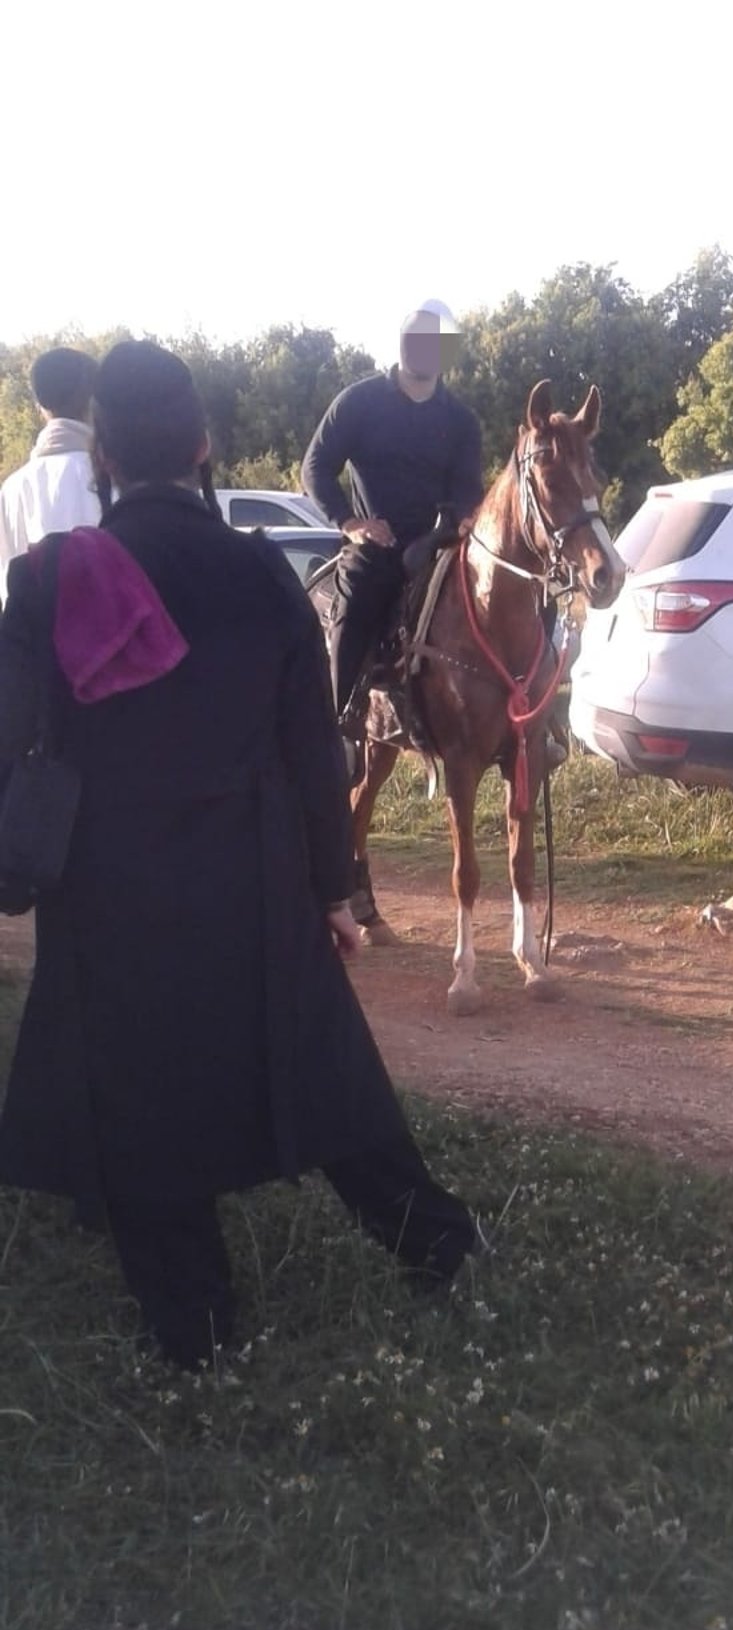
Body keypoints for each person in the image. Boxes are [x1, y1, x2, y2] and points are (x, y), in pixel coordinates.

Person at [0, 339, 478, 1370]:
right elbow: (314, 748)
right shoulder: (260, 571)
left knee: (135, 1095)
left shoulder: (47, 583)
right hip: (250, 872)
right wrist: (329, 889)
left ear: (105, 460)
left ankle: (198, 1330)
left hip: (105, 883)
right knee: (325, 1071)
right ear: (206, 445)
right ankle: (437, 1244)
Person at [301, 301, 484, 721]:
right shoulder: (359, 403)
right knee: (354, 605)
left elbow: (469, 490)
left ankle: (527, 723)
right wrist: (350, 523)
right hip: (376, 547)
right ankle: (335, 721)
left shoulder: (461, 421)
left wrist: (451, 527)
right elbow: (315, 467)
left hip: (441, 548)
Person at [0, 347, 102, 603]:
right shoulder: (109, 476)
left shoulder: (11, 490)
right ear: (94, 399)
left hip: (28, 639)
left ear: (39, 406)